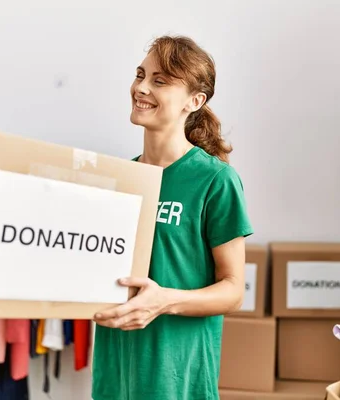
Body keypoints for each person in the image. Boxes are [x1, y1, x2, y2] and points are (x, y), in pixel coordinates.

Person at [91, 35, 254, 400]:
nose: (141, 87)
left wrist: (163, 300)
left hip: (175, 378)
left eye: (160, 81)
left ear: (194, 101)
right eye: (140, 75)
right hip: (115, 371)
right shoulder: (120, 177)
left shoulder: (215, 180)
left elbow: (232, 290)